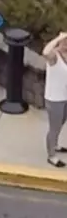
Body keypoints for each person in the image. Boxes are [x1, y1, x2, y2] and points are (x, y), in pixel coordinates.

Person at [42, 31, 67, 168]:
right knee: (54, 128)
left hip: (65, 98)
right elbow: (45, 52)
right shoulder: (54, 57)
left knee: (61, 122)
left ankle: (55, 145)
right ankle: (51, 156)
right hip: (54, 99)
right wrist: (58, 37)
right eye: (65, 41)